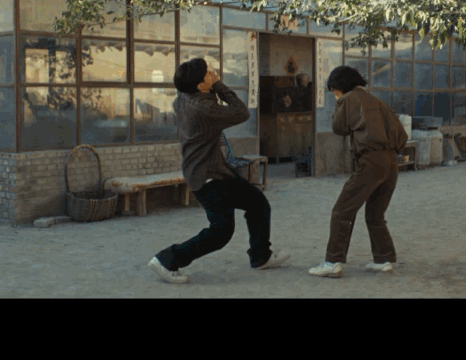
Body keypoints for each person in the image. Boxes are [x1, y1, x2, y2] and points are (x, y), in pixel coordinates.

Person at [148, 58, 290, 284]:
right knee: (221, 231)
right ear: (200, 85)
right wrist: (218, 85)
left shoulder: (184, 97)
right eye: (208, 73)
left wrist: (209, 86)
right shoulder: (203, 108)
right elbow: (241, 112)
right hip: (206, 176)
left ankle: (261, 256)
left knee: (258, 203)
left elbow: (202, 96)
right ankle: (167, 259)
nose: (213, 73)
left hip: (216, 171)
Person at [308, 65, 408, 278]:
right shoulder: (376, 100)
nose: (334, 94)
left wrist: (338, 104)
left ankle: (332, 261)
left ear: (340, 86)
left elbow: (339, 128)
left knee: (341, 211)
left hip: (370, 160)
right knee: (375, 214)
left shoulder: (349, 99)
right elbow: (401, 134)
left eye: (334, 90)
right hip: (390, 161)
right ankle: (383, 259)